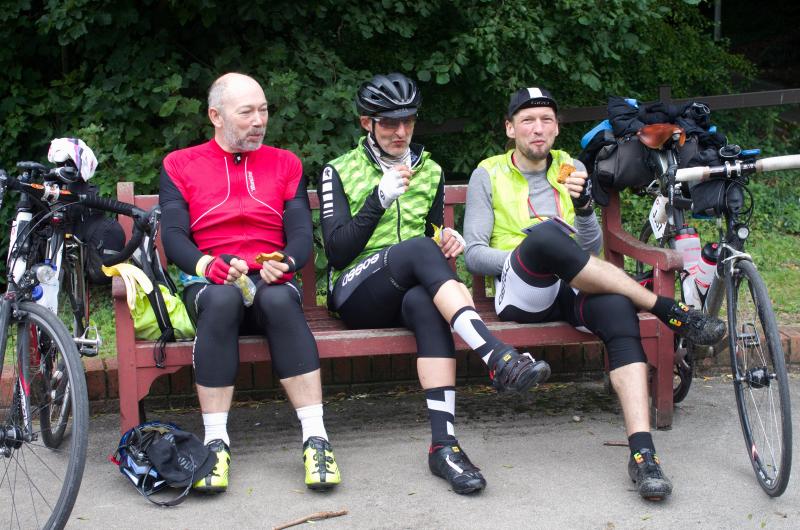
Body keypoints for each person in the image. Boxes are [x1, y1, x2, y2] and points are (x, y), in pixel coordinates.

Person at [463, 87, 726, 501]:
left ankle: (643, 455)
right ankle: (669, 310)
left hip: (573, 283)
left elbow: (588, 251)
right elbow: (474, 255)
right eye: (528, 120)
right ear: (510, 128)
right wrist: (531, 255)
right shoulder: (487, 173)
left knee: (618, 309)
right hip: (521, 289)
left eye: (546, 120)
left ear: (556, 128)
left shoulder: (569, 166)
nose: (538, 128)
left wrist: (585, 208)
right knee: (546, 236)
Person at [318, 73, 551, 495]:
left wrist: (449, 240)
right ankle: (496, 355)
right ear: (365, 123)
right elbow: (335, 252)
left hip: (405, 289)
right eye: (388, 122)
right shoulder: (340, 170)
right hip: (353, 292)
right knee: (417, 251)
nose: (401, 132)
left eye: (408, 120)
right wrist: (378, 200)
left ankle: (444, 446)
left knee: (427, 302)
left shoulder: (431, 171)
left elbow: (429, 232)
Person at [159, 72, 341, 494]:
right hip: (211, 280)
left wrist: (289, 261)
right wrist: (206, 265)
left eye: (263, 110)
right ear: (216, 116)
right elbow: (172, 235)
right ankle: (215, 444)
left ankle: (317, 438)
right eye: (247, 112)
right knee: (221, 300)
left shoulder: (286, 162)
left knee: (278, 300)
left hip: (268, 281)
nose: (259, 120)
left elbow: (299, 234)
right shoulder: (179, 164)